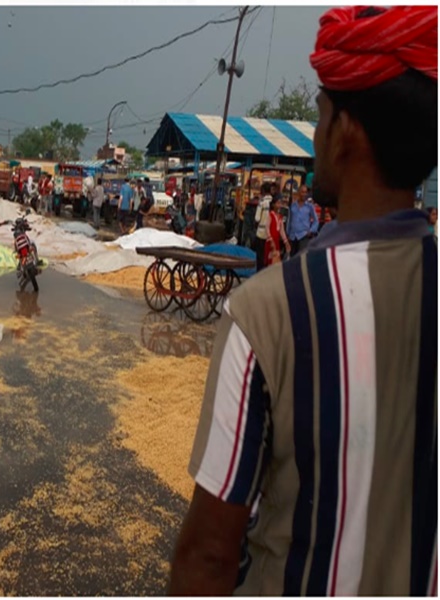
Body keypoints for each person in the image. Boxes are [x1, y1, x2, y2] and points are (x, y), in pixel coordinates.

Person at [169, 5, 437, 596]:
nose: (315, 138)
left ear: (346, 133)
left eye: (319, 117)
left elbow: (210, 556)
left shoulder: (269, 311)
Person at [287, 184, 320, 254]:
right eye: (302, 192)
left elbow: (316, 220)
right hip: (293, 236)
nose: (304, 194)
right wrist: (288, 233)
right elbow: (289, 220)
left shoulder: (309, 206)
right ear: (299, 192)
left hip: (303, 236)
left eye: (305, 192)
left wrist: (311, 231)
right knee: (292, 258)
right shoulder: (293, 206)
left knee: (302, 257)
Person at [265, 195, 291, 266]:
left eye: (280, 203)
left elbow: (281, 230)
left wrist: (286, 241)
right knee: (271, 261)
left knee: (276, 260)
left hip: (276, 241)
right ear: (273, 204)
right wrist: (270, 240)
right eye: (278, 203)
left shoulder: (280, 216)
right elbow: (267, 227)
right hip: (271, 241)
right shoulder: (270, 215)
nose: (279, 205)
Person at [252, 182, 272, 271]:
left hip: (261, 233)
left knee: (260, 256)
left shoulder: (262, 203)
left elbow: (257, 218)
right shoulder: (274, 202)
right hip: (271, 234)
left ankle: (259, 273)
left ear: (263, 191)